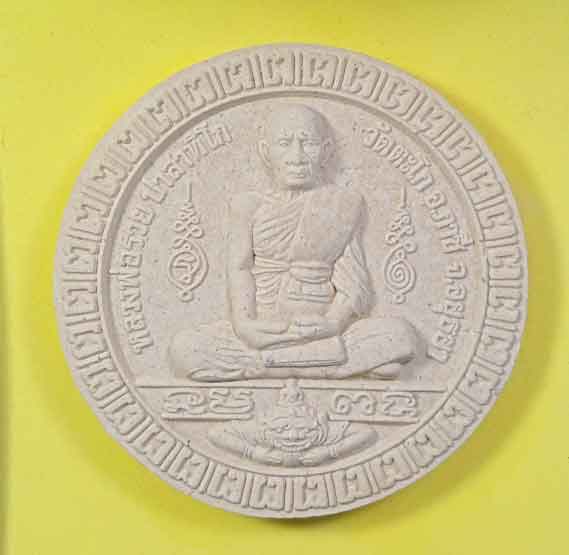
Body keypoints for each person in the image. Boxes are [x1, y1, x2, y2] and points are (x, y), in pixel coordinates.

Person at [169, 103, 416, 381]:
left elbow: (353, 280)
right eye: (285, 144)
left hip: (320, 329)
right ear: (266, 151)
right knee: (185, 348)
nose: (296, 157)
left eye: (308, 143)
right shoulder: (246, 205)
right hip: (263, 330)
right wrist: (243, 325)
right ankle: (327, 364)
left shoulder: (343, 204)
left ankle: (266, 365)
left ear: (326, 151)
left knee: (400, 335)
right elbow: (239, 268)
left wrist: (333, 323)